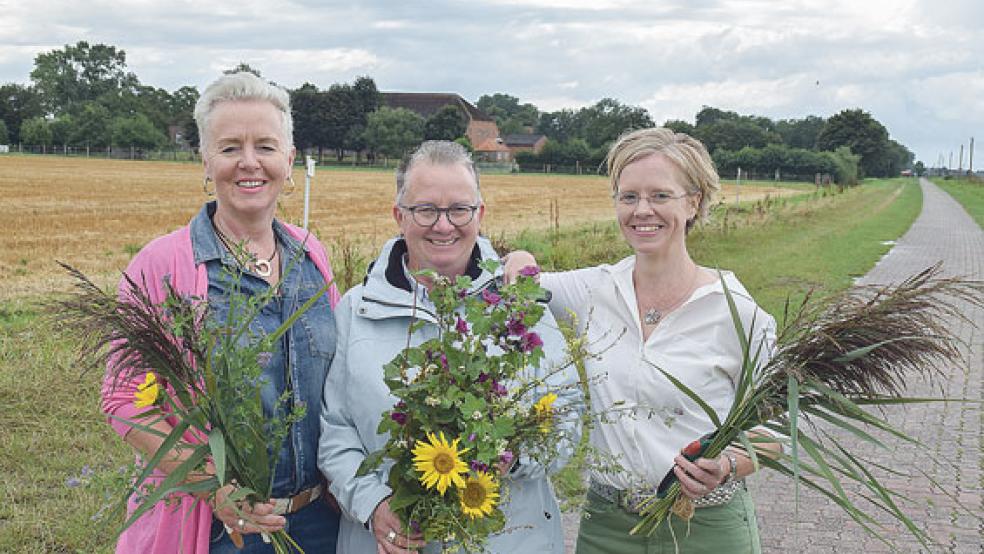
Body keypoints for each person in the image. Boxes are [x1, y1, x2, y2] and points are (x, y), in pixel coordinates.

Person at [505, 127, 780, 553]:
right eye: (629, 196)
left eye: (660, 196)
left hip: (704, 527)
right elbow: (524, 280)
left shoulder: (737, 312)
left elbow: (781, 427)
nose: (642, 210)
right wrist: (519, 259)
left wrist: (727, 465)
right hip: (607, 528)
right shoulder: (593, 290)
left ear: (694, 202)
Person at [99, 71, 341, 553]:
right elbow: (124, 402)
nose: (249, 163)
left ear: (289, 162)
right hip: (218, 529)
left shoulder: (310, 255)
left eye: (265, 147)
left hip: (319, 520)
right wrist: (214, 486)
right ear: (206, 162)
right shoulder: (163, 265)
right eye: (230, 148)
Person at [317, 140, 579, 553]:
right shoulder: (357, 309)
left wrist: (514, 454)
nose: (444, 226)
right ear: (399, 216)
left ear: (480, 214)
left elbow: (566, 413)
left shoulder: (520, 301)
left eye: (459, 209)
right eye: (426, 210)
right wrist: (373, 504)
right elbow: (335, 432)